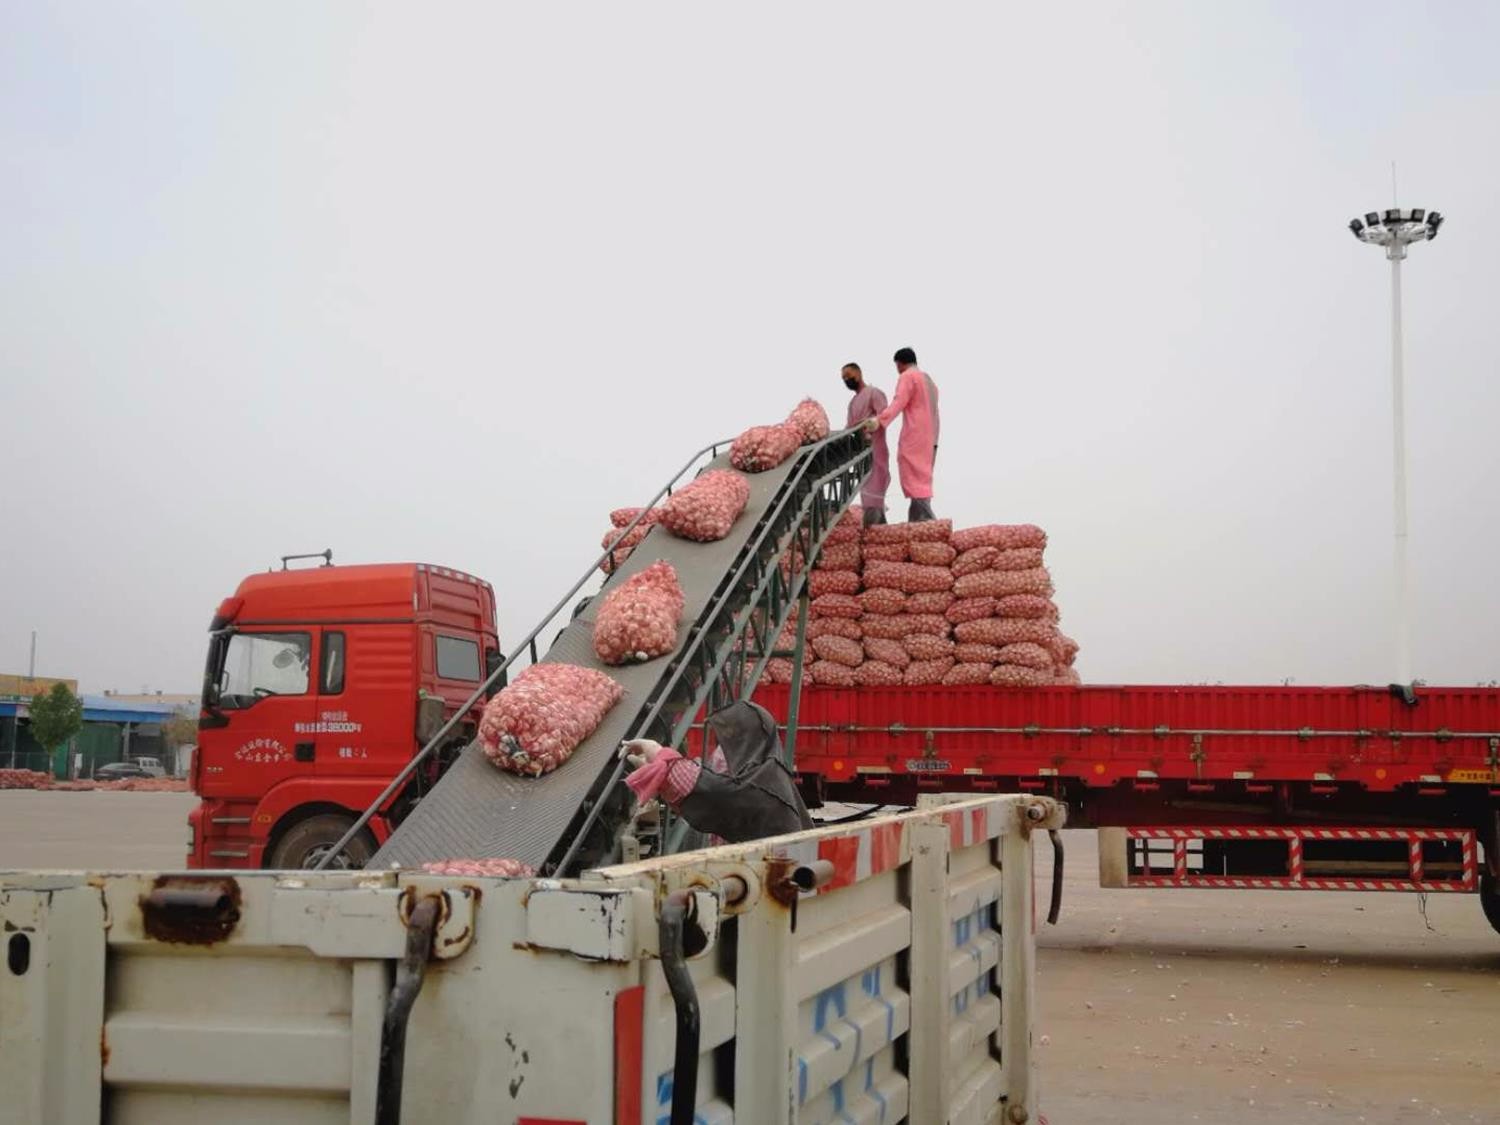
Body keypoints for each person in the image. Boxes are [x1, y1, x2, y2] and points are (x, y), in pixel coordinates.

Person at [620, 700, 814, 844]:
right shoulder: (767, 772)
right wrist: (659, 774)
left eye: (733, 737)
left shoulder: (764, 782)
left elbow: (719, 794)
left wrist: (660, 756)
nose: (728, 747)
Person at [866, 346, 941, 521]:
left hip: (915, 433)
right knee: (923, 476)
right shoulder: (929, 380)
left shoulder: (908, 377)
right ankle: (918, 520)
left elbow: (898, 402)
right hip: (931, 435)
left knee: (911, 469)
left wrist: (879, 420)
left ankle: (926, 520)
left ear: (900, 363)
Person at [841, 362, 890, 526]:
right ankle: (878, 531)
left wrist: (870, 423)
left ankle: (873, 529)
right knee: (867, 493)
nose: (847, 380)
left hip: (875, 449)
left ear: (859, 373)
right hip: (860, 454)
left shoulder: (874, 393)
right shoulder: (852, 403)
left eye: (849, 376)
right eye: (844, 378)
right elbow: (849, 427)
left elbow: (884, 415)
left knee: (874, 495)